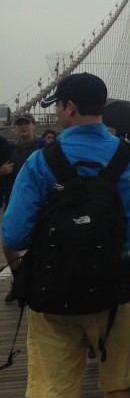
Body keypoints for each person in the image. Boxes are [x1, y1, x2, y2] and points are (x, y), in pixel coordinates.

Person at [1, 73, 130, 398]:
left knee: (62, 393)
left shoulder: (40, 161)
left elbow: (14, 234)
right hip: (117, 289)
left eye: (58, 107)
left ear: (70, 107)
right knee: (118, 385)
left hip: (51, 291)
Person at [2, 112, 46, 303]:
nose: (23, 126)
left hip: (41, 203)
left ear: (34, 125)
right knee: (8, 244)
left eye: (26, 123)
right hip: (15, 201)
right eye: (19, 124)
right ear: (14, 128)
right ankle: (20, 280)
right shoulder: (9, 150)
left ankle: (35, 284)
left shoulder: (45, 147)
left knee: (40, 243)